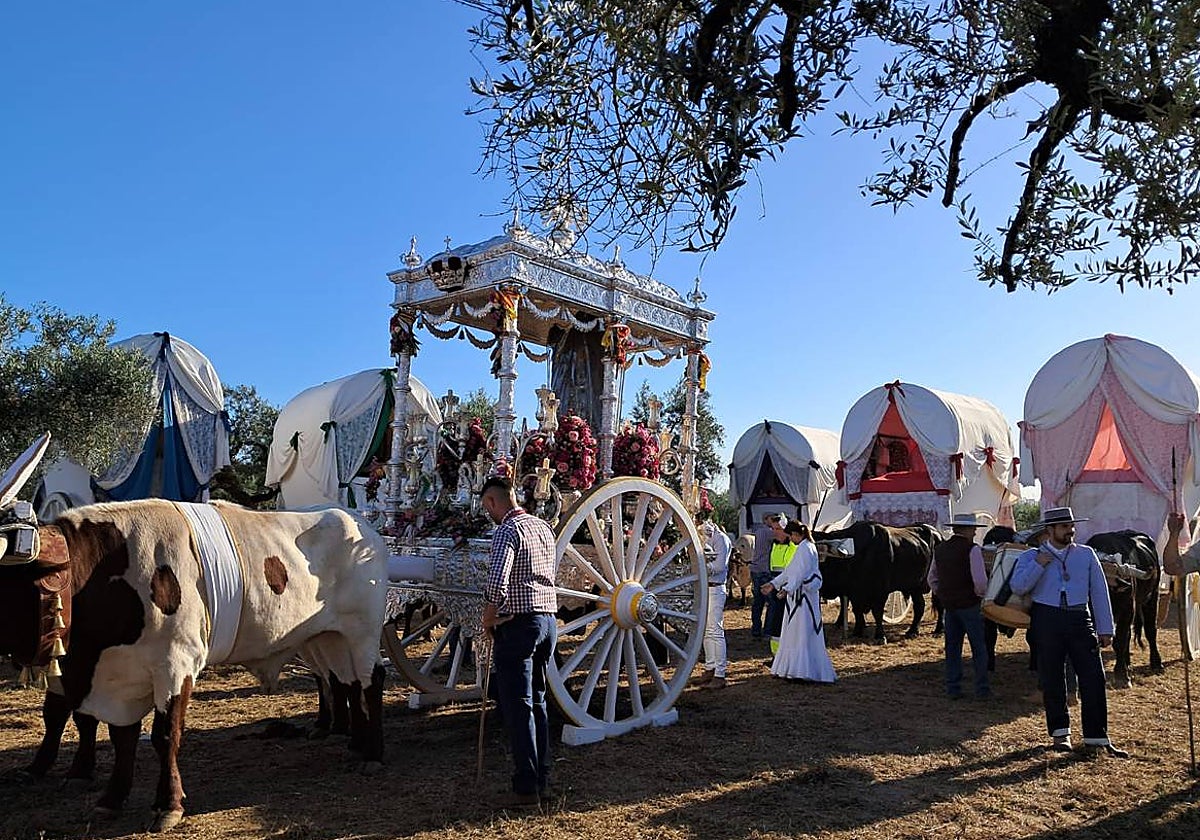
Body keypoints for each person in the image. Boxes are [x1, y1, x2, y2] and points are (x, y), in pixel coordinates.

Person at [1009, 506, 1127, 757]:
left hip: (1079, 617)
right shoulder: (1031, 557)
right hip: (1046, 618)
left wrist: (1106, 628)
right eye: (1064, 527)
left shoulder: (1086, 555)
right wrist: (1039, 565)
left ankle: (1096, 737)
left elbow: (1099, 591)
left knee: (1093, 677)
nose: (1070, 530)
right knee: (1052, 678)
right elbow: (1018, 587)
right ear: (1050, 530)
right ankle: (1060, 734)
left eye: (1071, 526)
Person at [480, 476, 559, 808]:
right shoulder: (542, 527)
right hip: (547, 621)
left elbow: (498, 577)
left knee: (518, 707)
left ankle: (526, 788)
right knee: (538, 703)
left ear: (492, 503)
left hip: (518, 623)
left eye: (487, 509)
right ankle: (541, 778)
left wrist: (487, 617)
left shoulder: (506, 531)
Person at [760, 521, 836, 682]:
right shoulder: (804, 548)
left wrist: (787, 589)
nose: (791, 538)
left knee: (801, 634)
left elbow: (799, 574)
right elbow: (790, 571)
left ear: (797, 534)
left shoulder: (805, 549)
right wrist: (774, 584)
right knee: (795, 634)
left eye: (792, 535)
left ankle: (801, 671)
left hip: (803, 601)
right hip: (798, 599)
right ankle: (795, 670)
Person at [928, 512, 990, 699]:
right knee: (979, 648)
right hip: (970, 604)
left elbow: (932, 578)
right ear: (969, 530)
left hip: (950, 606)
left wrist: (944, 593)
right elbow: (980, 582)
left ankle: (953, 688)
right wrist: (982, 596)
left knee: (952, 648)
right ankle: (982, 689)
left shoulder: (940, 549)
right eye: (973, 529)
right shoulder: (973, 550)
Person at [692, 518, 732, 689]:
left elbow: (720, 566)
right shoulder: (706, 537)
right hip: (706, 587)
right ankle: (710, 667)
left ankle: (720, 673)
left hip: (715, 587)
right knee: (707, 631)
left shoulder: (721, 539)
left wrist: (700, 565)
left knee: (715, 630)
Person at [764, 517, 798, 655]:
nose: (774, 532)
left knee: (784, 623)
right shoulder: (774, 545)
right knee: (774, 623)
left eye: (778, 529)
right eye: (773, 529)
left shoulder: (794, 547)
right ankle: (775, 655)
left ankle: (785, 655)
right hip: (775, 588)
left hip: (788, 590)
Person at [748, 513, 784, 639]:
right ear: (765, 520)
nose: (773, 521)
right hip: (764, 570)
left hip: (755, 568)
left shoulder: (758, 531)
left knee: (757, 602)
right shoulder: (768, 532)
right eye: (771, 519)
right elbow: (782, 538)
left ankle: (756, 629)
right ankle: (768, 630)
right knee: (772, 602)